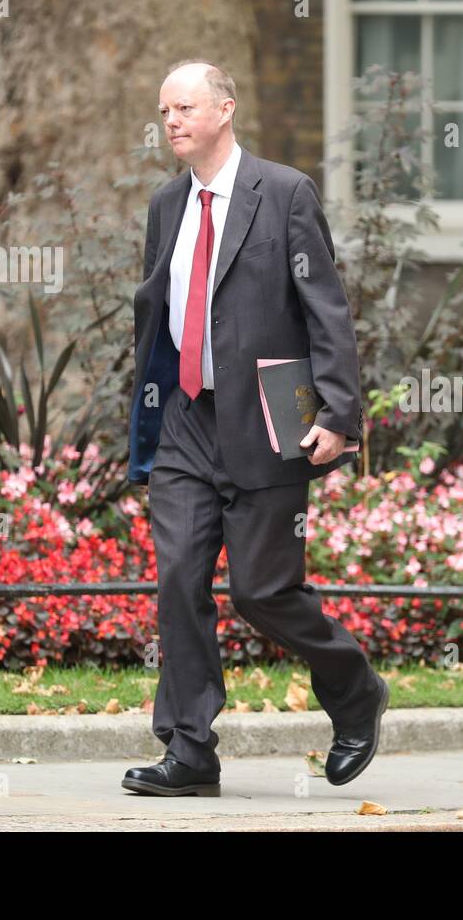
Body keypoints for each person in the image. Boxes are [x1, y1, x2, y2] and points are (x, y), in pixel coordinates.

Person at [121, 60, 386, 797]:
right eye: (164, 109)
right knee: (178, 578)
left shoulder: (285, 193)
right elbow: (158, 316)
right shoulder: (166, 204)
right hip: (185, 422)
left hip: (270, 417)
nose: (170, 120)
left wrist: (336, 414)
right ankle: (189, 748)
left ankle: (354, 689)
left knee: (264, 591)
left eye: (184, 107)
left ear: (225, 109)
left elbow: (325, 309)